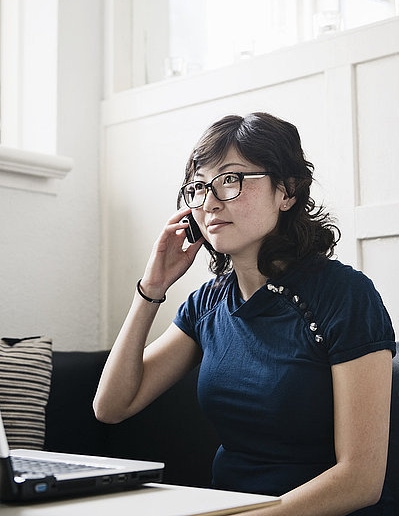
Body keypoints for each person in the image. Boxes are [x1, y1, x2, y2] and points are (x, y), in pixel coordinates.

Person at [93, 112, 396, 515]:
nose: (211, 201)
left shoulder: (345, 295)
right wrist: (151, 290)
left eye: (231, 180)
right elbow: (111, 407)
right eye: (200, 186)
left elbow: (360, 480)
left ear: (286, 192)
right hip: (227, 505)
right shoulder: (208, 304)